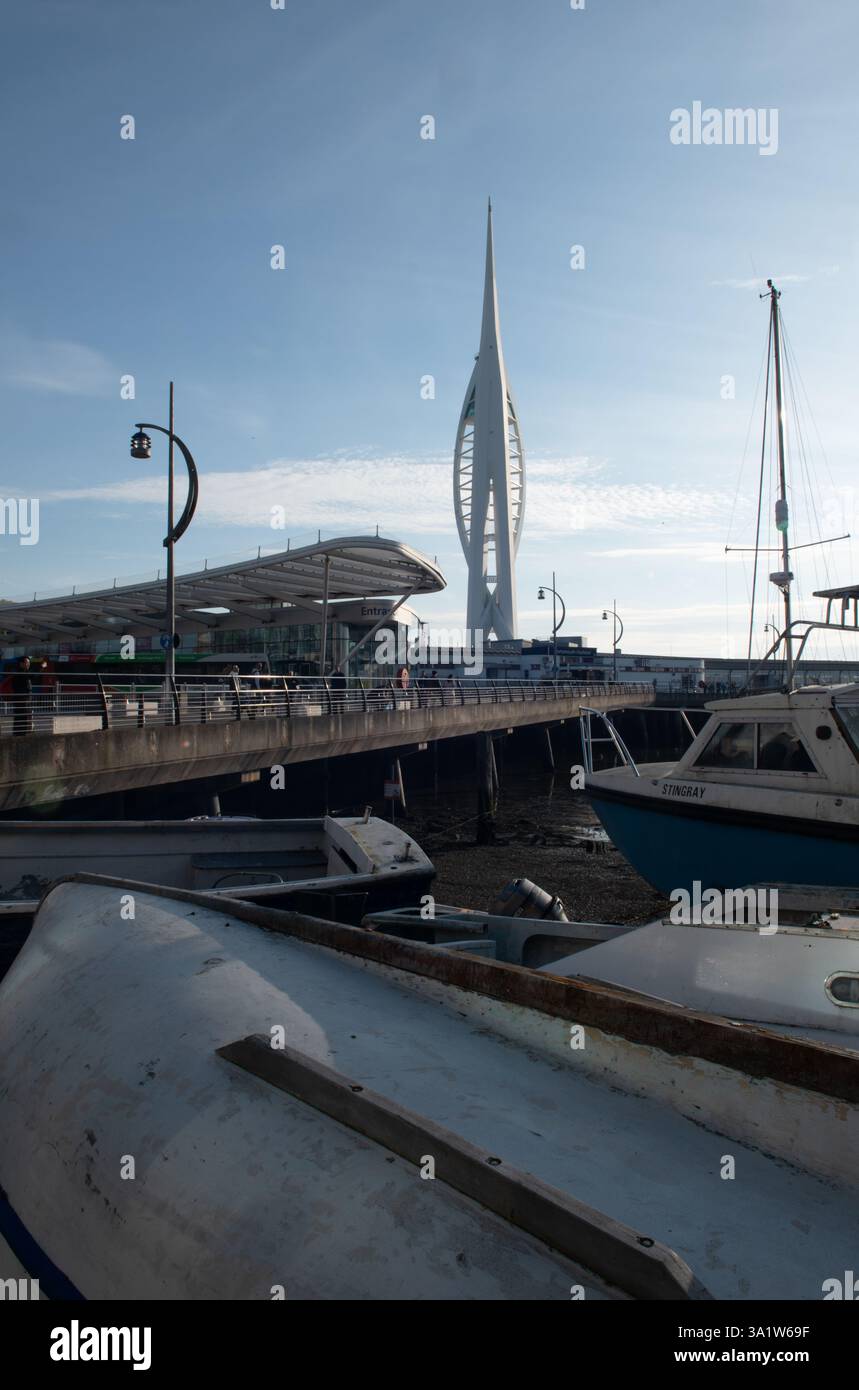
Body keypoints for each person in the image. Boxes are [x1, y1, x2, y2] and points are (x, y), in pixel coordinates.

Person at [11, 656, 33, 736]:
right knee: (21, 719)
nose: (28, 664)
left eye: (29, 663)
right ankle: (19, 736)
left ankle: (20, 735)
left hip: (24, 700)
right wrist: (41, 667)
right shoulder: (20, 673)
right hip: (21, 700)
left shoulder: (23, 673)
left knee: (22, 719)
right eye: (27, 662)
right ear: (21, 664)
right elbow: (33, 676)